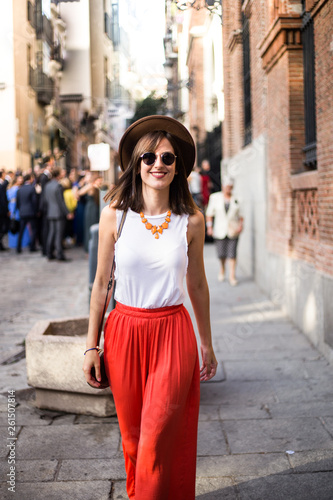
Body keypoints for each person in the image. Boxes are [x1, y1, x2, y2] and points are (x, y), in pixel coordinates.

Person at [83, 115, 218, 500]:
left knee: (156, 439)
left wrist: (206, 344)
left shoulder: (191, 221)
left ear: (178, 168)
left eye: (167, 158)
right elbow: (99, 286)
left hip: (173, 334)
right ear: (136, 165)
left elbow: (197, 285)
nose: (158, 164)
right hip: (124, 330)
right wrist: (92, 346)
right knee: (133, 440)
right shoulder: (115, 216)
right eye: (149, 157)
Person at [206, 176, 244, 286]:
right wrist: (209, 227)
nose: (229, 189)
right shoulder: (215, 197)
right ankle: (222, 269)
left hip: (233, 229)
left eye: (231, 187)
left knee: (232, 254)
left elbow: (241, 215)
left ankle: (232, 276)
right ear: (223, 186)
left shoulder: (237, 198)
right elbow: (209, 214)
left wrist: (241, 226)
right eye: (227, 187)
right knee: (221, 254)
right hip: (219, 230)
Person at [43, 167, 72, 261]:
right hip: (58, 213)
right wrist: (67, 212)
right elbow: (61, 202)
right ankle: (60, 255)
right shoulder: (58, 186)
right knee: (59, 234)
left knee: (51, 233)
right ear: (58, 175)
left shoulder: (47, 185)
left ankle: (49, 253)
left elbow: (46, 199)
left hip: (50, 212)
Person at [16, 173, 38, 253]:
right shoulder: (32, 188)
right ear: (30, 179)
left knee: (21, 230)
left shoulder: (19, 189)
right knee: (34, 229)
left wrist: (20, 210)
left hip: (22, 212)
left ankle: (18, 247)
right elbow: (34, 202)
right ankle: (32, 247)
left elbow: (17, 203)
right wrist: (36, 211)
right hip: (31, 212)